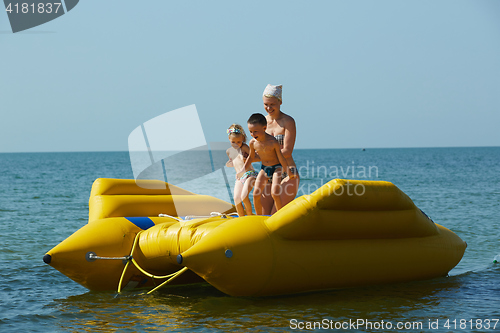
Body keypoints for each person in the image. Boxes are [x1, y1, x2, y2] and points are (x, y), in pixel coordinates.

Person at [239, 113, 296, 215]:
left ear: (264, 128)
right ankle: (258, 217)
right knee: (256, 194)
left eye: (255, 131)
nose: (253, 134)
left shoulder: (272, 141)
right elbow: (251, 157)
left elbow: (281, 158)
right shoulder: (252, 143)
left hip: (277, 168)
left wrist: (289, 173)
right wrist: (243, 170)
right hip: (264, 169)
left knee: (275, 193)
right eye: (250, 132)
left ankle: (280, 215)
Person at [261, 84, 300, 215]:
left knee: (274, 216)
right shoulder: (262, 123)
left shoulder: (288, 121)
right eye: (266, 104)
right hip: (267, 174)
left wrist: (264, 156)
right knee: (262, 217)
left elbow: (288, 151)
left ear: (280, 102)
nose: (268, 108)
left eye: (272, 104)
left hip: (288, 174)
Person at [225, 124, 258, 216]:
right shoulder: (229, 151)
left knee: (244, 197)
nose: (236, 144)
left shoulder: (244, 147)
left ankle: (249, 217)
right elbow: (233, 162)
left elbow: (255, 157)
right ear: (229, 139)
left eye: (239, 142)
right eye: (233, 142)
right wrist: (229, 164)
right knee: (236, 199)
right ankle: (241, 219)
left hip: (250, 174)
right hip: (239, 177)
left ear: (243, 139)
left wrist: (246, 158)